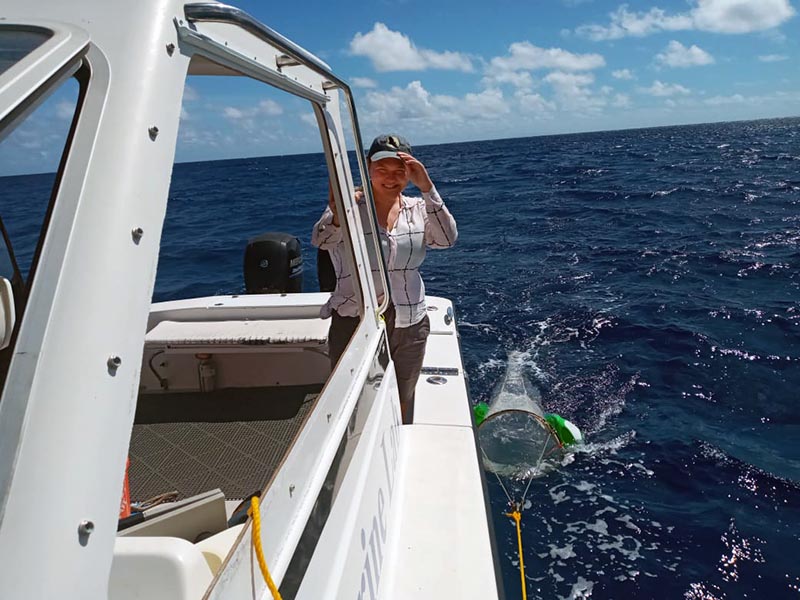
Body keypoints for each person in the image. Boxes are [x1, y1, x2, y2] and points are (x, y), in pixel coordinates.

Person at [311, 134, 458, 424]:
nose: (391, 178)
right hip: (355, 317)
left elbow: (447, 240)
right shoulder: (349, 207)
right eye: (382, 170)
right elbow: (322, 239)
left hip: (409, 318)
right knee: (349, 393)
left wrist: (428, 188)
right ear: (367, 168)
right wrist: (339, 213)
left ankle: (397, 440)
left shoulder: (419, 208)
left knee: (403, 390)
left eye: (399, 171)